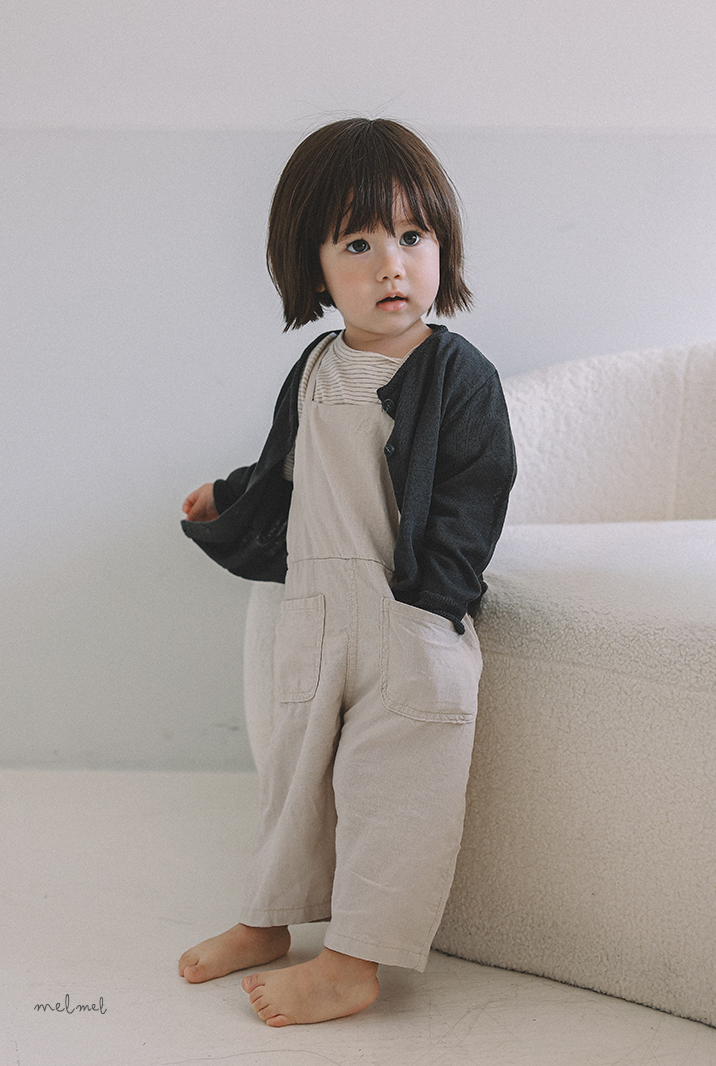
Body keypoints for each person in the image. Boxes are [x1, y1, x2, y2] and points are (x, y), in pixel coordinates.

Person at [178, 117, 516, 1027]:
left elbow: (477, 492)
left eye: (412, 236)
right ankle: (267, 921)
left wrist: (431, 606)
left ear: (443, 246)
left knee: (391, 791)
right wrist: (229, 496)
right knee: (294, 778)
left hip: (405, 617)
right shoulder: (317, 367)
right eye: (358, 244)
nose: (390, 266)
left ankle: (353, 962)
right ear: (315, 268)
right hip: (317, 612)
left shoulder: (459, 375)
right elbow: (287, 469)